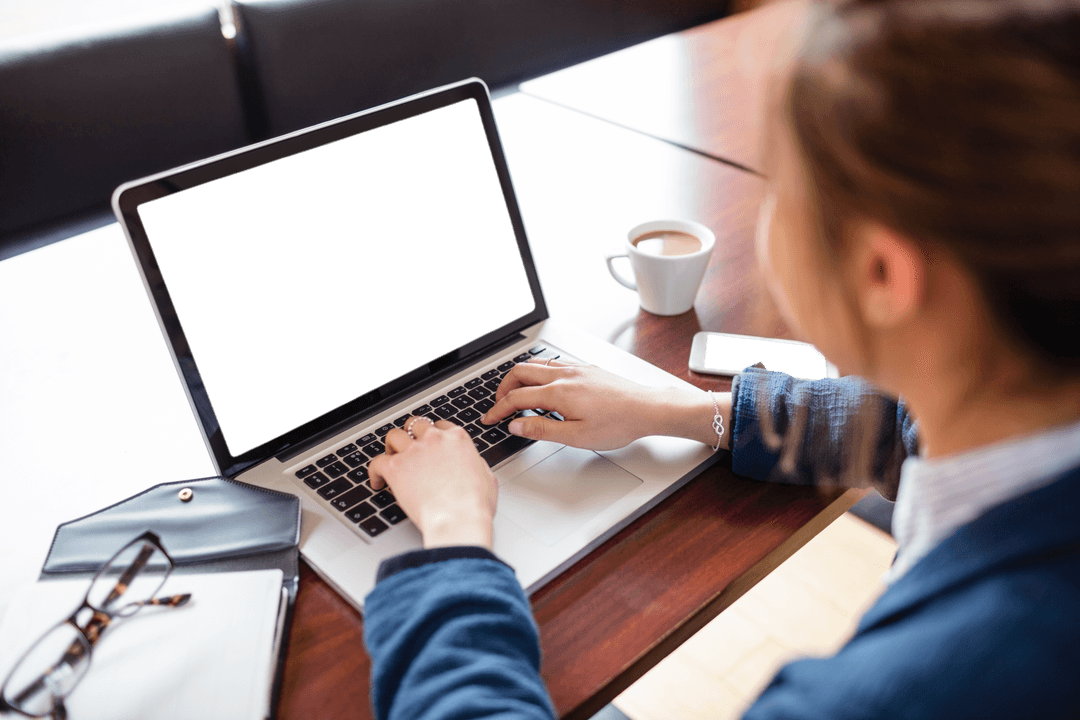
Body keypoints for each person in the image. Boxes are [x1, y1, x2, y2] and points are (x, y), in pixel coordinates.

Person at [362, 0, 1080, 717]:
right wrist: (680, 410)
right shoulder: (1020, 404)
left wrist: (454, 533)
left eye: (781, 190)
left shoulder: (900, 694)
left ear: (884, 275)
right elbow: (902, 428)